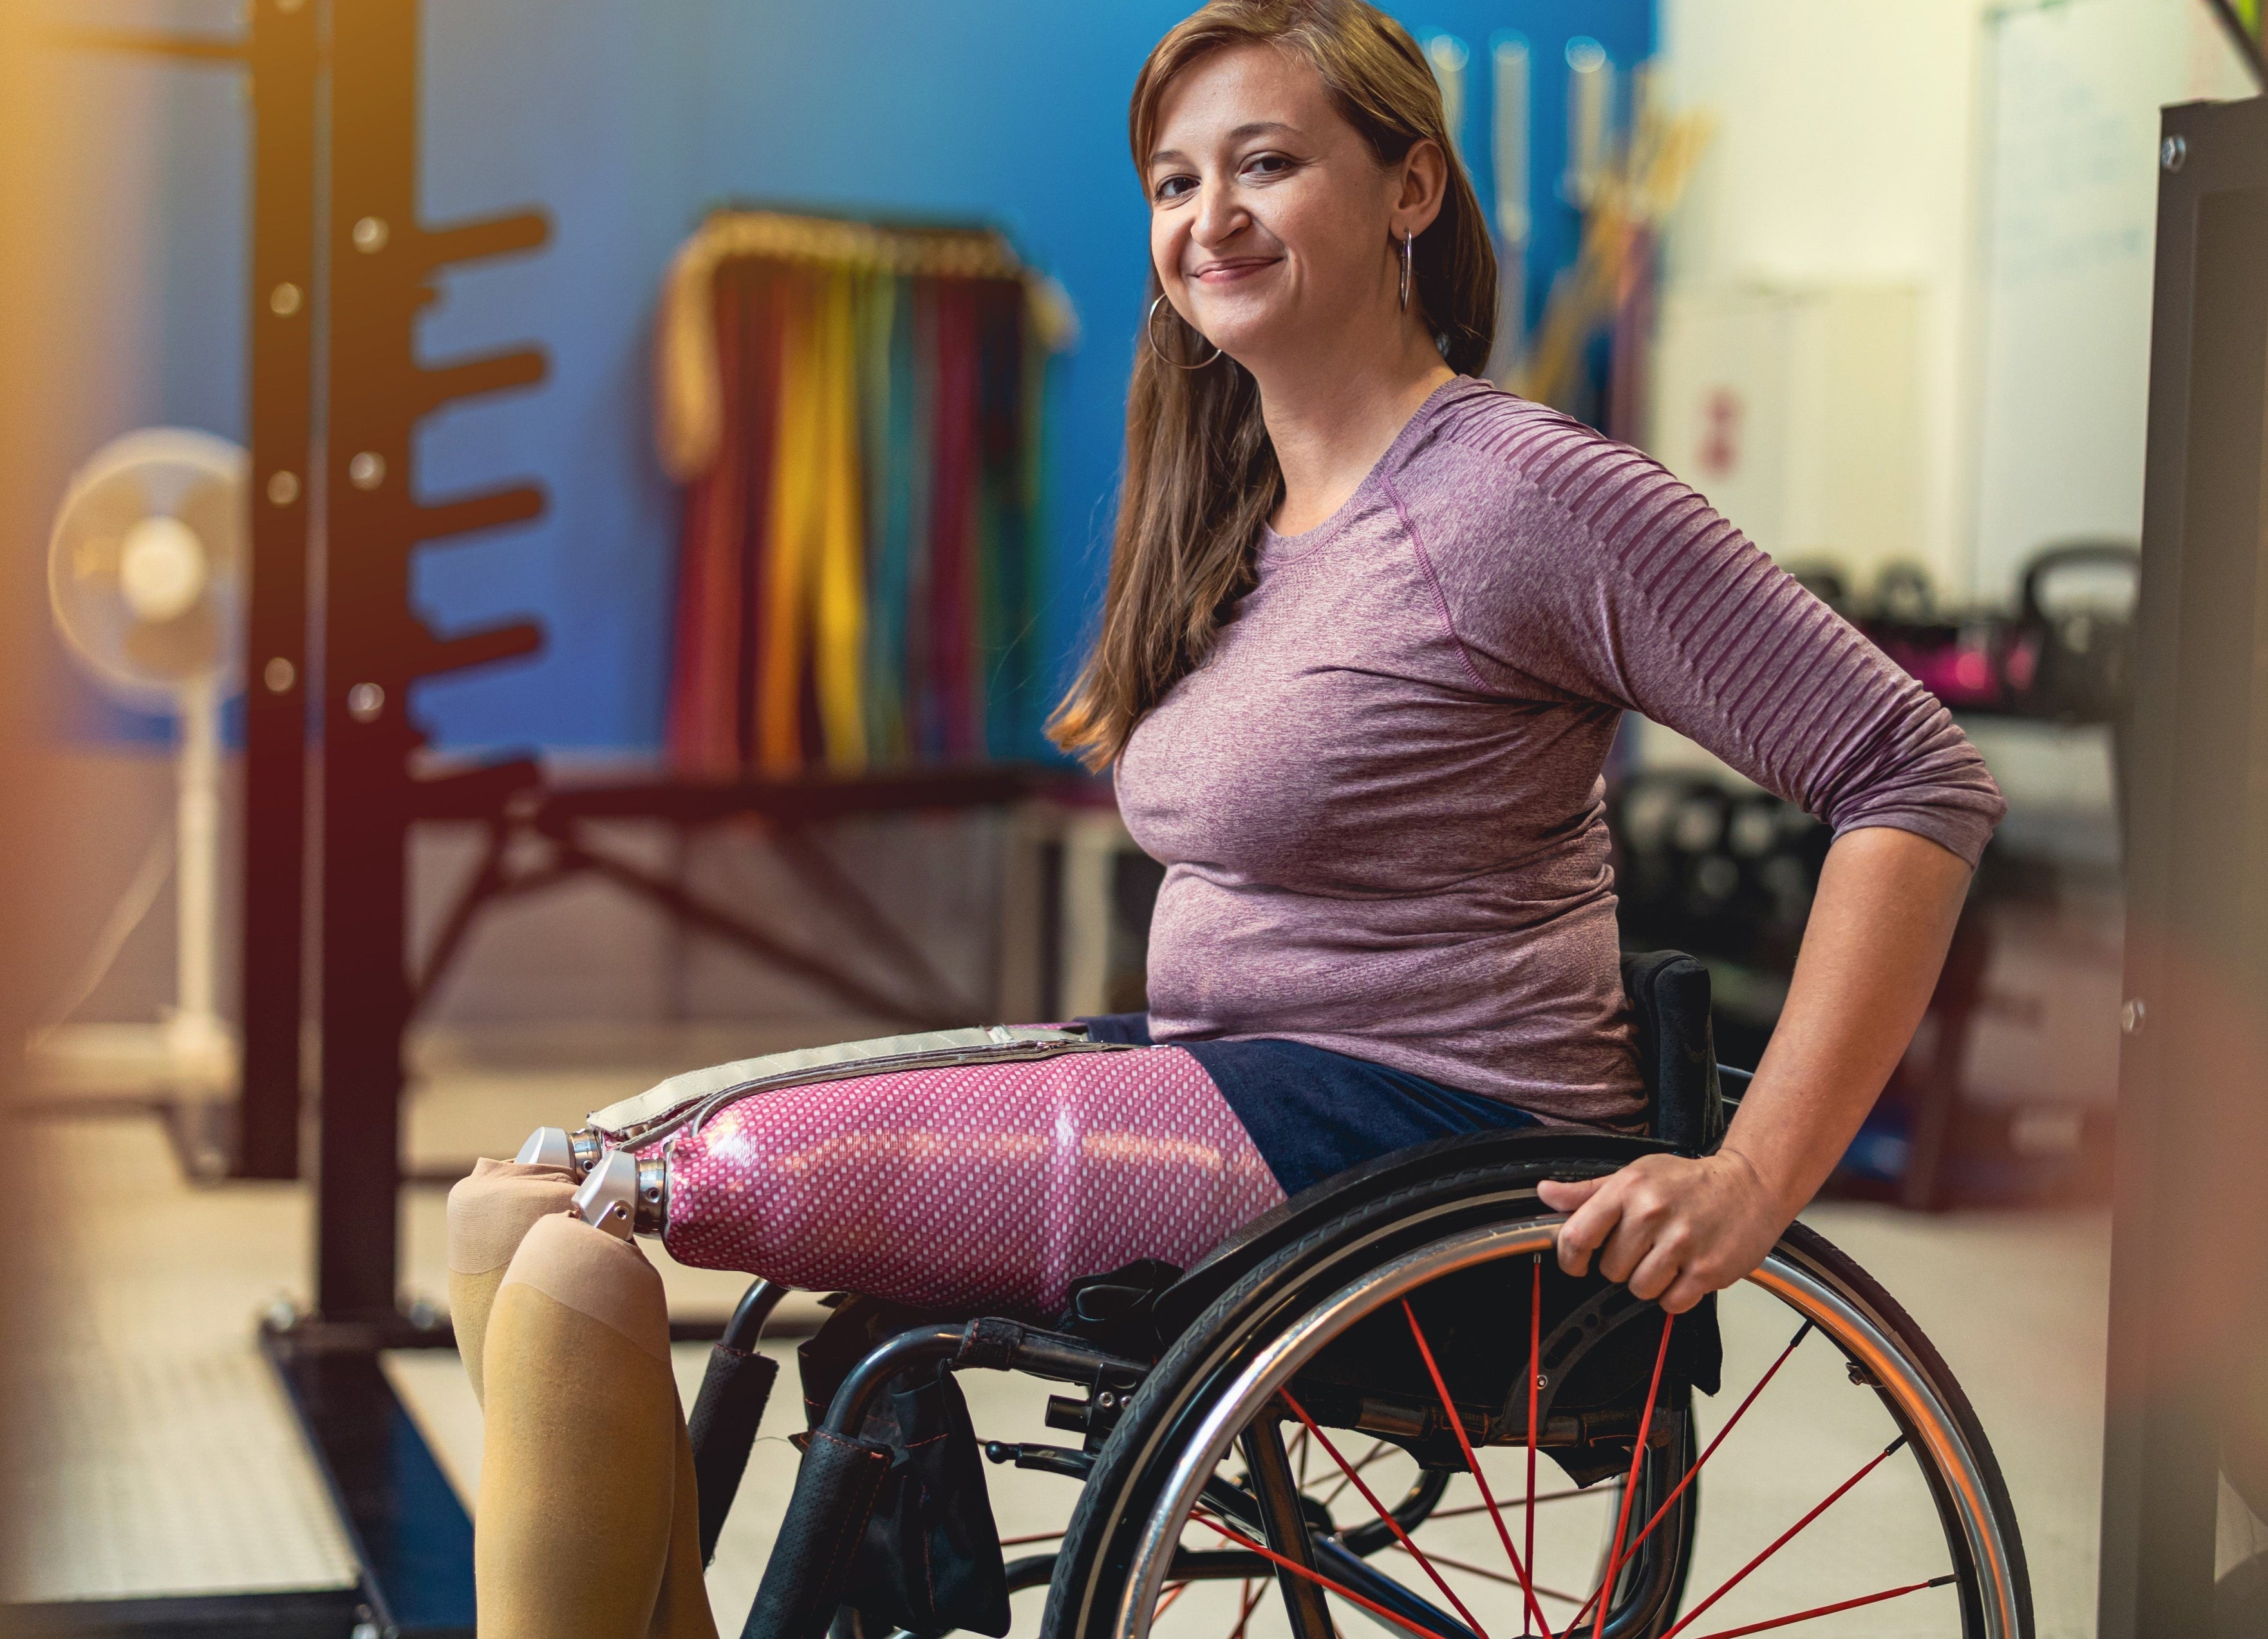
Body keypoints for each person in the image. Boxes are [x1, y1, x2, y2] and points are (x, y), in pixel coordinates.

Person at [447, 3, 2002, 1632]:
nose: (1213, 219)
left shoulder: (1522, 493)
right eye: (1177, 183)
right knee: (514, 1215)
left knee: (590, 1242)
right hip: (1223, 1086)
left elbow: (1914, 774)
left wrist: (1756, 1178)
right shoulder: (1239, 510)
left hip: (1423, 1143)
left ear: (1411, 190)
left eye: (1269, 163)